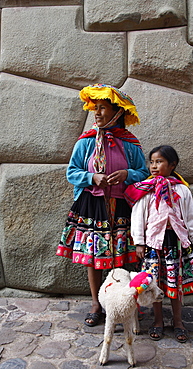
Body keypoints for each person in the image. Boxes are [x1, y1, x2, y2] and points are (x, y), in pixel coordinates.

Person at [56, 83, 149, 327]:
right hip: (92, 204)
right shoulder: (86, 142)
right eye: (95, 108)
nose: (96, 113)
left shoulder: (130, 143)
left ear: (117, 113)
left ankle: (121, 302)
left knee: (121, 257)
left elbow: (143, 173)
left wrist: (127, 174)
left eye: (102, 108)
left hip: (120, 205)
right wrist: (92, 177)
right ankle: (97, 303)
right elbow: (72, 172)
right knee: (93, 256)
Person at [124, 145, 193, 342]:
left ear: (172, 165)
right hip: (153, 246)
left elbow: (190, 218)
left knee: (177, 284)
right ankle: (158, 321)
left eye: (159, 162)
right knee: (154, 284)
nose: (154, 166)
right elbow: (138, 218)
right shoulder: (146, 189)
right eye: (152, 162)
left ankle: (178, 321)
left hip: (176, 245)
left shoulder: (182, 190)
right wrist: (139, 243)